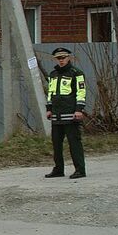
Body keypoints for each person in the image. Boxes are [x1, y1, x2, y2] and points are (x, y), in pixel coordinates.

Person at [44, 47, 87, 179]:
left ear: (69, 58)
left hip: (71, 114)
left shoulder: (76, 73)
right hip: (56, 115)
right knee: (56, 144)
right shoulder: (53, 75)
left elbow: (81, 92)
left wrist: (79, 110)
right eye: (59, 58)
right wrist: (49, 109)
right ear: (55, 59)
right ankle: (58, 169)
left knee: (74, 143)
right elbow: (51, 92)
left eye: (63, 58)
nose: (61, 60)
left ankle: (80, 170)